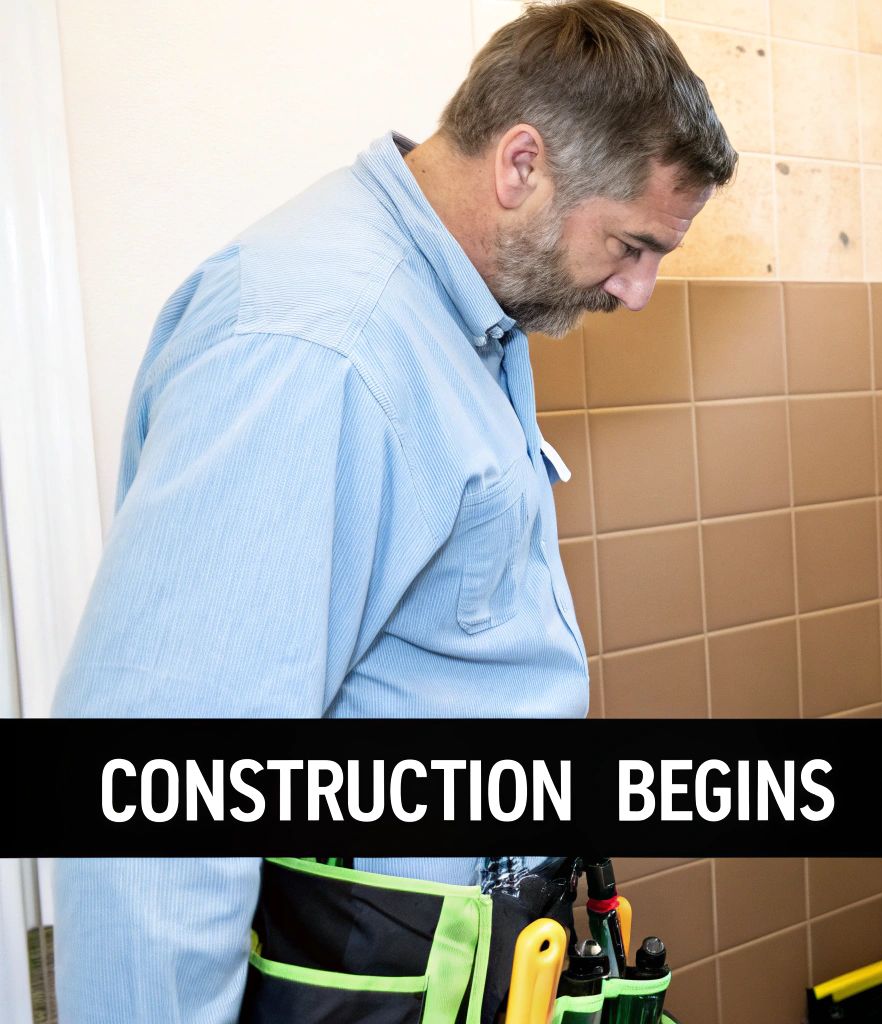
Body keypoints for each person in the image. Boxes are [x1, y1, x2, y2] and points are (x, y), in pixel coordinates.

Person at [51, 3, 735, 1020]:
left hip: (476, 948)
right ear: (520, 166)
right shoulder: (325, 348)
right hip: (377, 959)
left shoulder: (459, 308)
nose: (637, 292)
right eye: (632, 245)